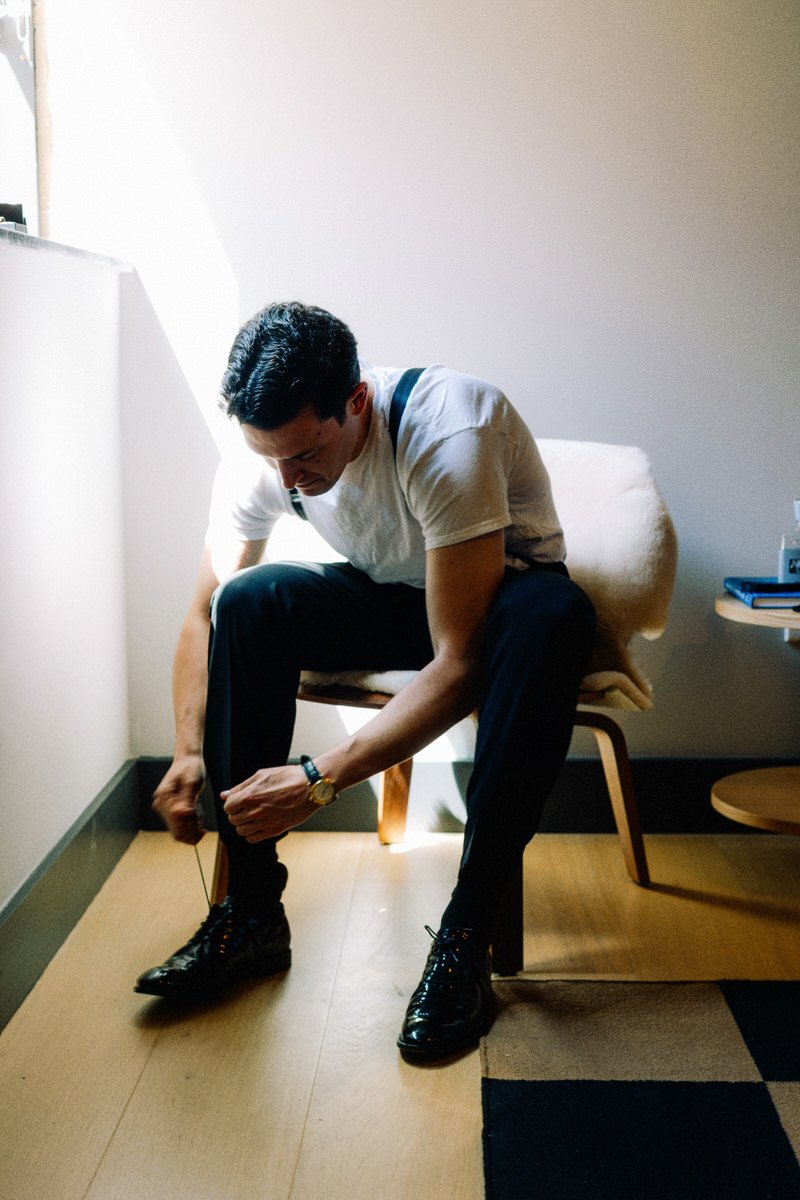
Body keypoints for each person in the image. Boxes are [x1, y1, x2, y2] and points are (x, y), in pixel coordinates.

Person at [135, 301, 596, 1061]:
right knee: (248, 601)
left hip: (507, 602)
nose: (289, 478)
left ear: (356, 403)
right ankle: (251, 914)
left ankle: (466, 936)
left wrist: (318, 780)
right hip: (393, 593)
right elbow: (200, 615)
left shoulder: (447, 431)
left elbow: (460, 660)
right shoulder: (268, 452)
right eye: (272, 458)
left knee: (551, 619)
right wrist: (188, 753)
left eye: (305, 456)